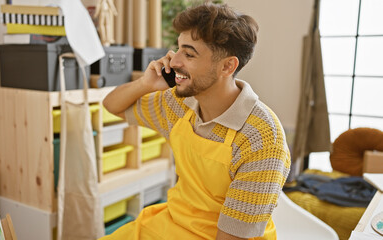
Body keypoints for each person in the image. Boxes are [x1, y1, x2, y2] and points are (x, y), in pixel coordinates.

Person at [101, 3, 290, 240]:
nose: (173, 61)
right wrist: (145, 84)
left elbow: (231, 237)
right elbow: (112, 106)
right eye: (177, 49)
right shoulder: (178, 104)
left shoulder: (263, 139)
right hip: (172, 223)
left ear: (227, 66)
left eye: (189, 54)